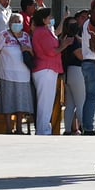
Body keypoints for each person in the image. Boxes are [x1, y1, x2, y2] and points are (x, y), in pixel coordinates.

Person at [30, 7, 69, 135]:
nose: (52, 18)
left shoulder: (44, 31)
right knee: (45, 102)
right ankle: (43, 130)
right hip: (45, 69)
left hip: (47, 69)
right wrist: (64, 45)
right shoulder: (42, 32)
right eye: (49, 16)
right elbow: (51, 51)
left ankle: (44, 129)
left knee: (46, 101)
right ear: (43, 19)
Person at [0, 12, 35, 135]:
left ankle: (19, 128)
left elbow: (33, 53)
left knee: (21, 103)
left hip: (23, 75)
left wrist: (28, 49)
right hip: (7, 74)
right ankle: (8, 128)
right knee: (8, 102)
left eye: (19, 21)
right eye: (15, 21)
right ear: (10, 23)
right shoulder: (4, 35)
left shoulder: (26, 36)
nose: (17, 24)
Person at [60, 16, 85, 134]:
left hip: (69, 72)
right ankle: (86, 128)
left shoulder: (64, 38)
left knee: (70, 104)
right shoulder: (73, 40)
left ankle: (68, 130)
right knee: (81, 103)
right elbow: (81, 56)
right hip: (77, 71)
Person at [79, 10, 95, 135]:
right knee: (93, 96)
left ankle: (88, 126)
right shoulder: (93, 23)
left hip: (87, 61)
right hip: (93, 62)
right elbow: (94, 45)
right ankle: (89, 127)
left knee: (90, 96)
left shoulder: (87, 23)